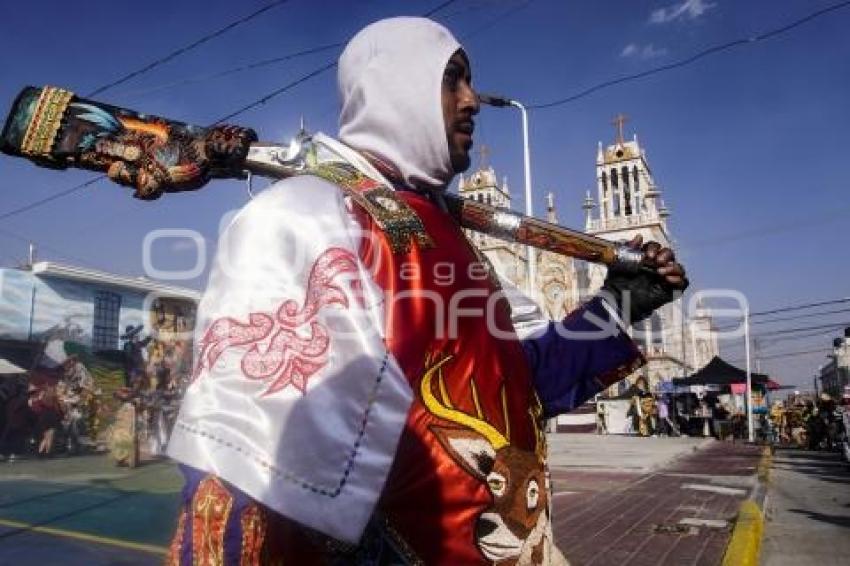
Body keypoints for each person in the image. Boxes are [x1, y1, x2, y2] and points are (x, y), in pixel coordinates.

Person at [163, 17, 687, 564]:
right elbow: (242, 463)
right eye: (452, 78)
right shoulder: (310, 214)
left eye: (470, 82)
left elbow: (509, 389)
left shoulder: (450, 238)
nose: (472, 100)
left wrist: (617, 306)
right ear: (397, 88)